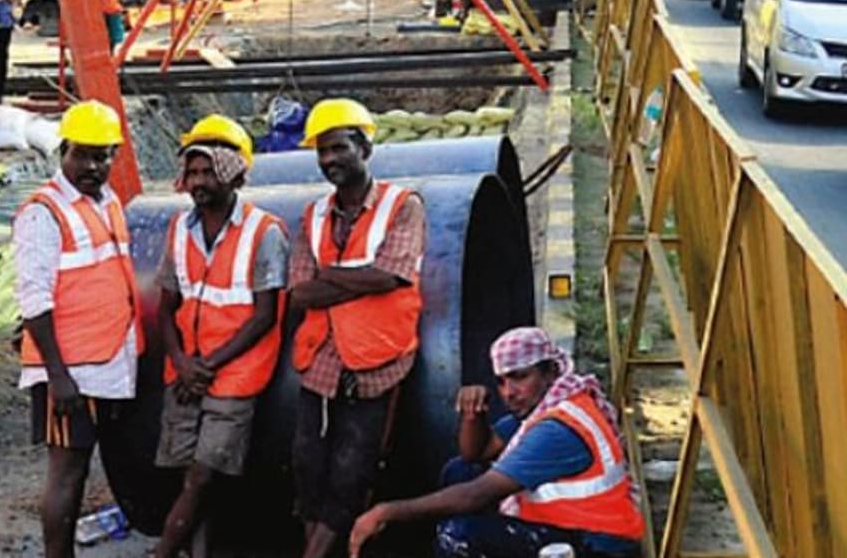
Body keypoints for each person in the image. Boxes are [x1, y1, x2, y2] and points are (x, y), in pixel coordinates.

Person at [349, 327, 644, 558]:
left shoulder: (557, 428)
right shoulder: (540, 407)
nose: (508, 392)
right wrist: (472, 414)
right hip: (565, 523)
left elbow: (477, 494)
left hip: (599, 543)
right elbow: (474, 452)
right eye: (501, 381)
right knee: (459, 471)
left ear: (550, 372)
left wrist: (386, 511)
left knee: (459, 535)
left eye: (519, 377)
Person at [287, 98, 427, 558]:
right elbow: (301, 293)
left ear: (364, 147)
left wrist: (330, 274)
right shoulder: (314, 216)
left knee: (352, 473)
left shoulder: (401, 206)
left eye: (339, 148)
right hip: (321, 361)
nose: (330, 160)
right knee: (308, 468)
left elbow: (390, 276)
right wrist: (360, 278)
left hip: (376, 363)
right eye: (322, 152)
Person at [153, 115, 290, 558]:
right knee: (186, 475)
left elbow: (264, 315)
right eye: (192, 172)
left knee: (203, 474)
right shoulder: (180, 229)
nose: (198, 181)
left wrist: (208, 366)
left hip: (233, 376)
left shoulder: (263, 232)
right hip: (186, 372)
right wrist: (184, 362)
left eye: (208, 171)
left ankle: (162, 553)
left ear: (235, 172)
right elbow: (167, 305)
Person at [12, 100, 141, 558]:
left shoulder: (106, 203)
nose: (94, 165)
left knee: (87, 467)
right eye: (84, 154)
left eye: (104, 155)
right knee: (68, 471)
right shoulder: (43, 213)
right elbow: (34, 299)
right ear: (64, 151)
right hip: (70, 369)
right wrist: (59, 377)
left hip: (106, 361)